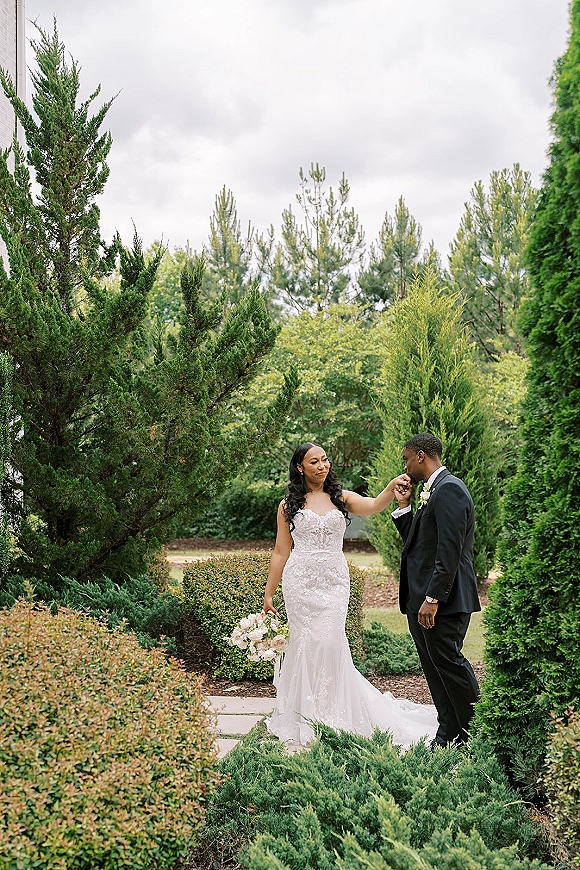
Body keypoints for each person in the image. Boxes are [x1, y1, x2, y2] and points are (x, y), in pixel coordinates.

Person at [262, 441, 438, 749]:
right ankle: (302, 714)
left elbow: (373, 506)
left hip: (333, 580)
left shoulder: (340, 498)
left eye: (325, 460)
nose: (322, 465)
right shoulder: (288, 505)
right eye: (314, 461)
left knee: (329, 642)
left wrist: (390, 488)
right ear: (300, 467)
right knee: (304, 644)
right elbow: (280, 551)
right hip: (300, 581)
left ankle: (334, 713)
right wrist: (268, 594)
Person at [391, 432, 481, 748]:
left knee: (450, 664)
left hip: (446, 600)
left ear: (420, 457)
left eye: (406, 458)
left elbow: (449, 550)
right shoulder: (434, 491)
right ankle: (449, 735)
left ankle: (479, 736)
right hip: (425, 600)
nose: (404, 465)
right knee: (436, 668)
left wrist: (433, 598)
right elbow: (421, 545)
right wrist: (404, 507)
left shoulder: (450, 490)